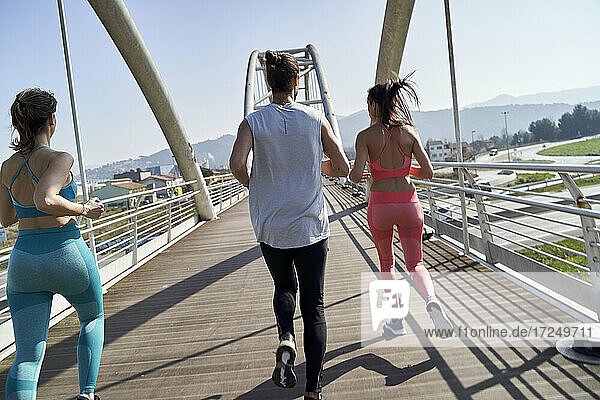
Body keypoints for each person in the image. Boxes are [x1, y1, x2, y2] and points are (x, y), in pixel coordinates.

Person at [230, 50, 349, 400]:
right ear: (298, 81)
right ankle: (313, 390)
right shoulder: (315, 119)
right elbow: (341, 166)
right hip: (311, 227)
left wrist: (255, 185)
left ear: (268, 82)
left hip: (271, 227)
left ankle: (285, 337)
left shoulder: (253, 121)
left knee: (284, 286)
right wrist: (316, 168)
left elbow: (236, 163)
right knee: (314, 306)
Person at [0, 88, 105, 400]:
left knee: (27, 356)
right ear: (51, 119)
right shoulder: (60, 158)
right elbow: (46, 199)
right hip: (66, 252)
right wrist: (85, 209)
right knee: (92, 318)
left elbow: (6, 219)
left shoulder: (6, 167)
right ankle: (86, 394)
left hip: (24, 264)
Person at [348, 73, 452, 337]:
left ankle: (396, 321)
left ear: (373, 105)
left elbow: (355, 175)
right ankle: (431, 300)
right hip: (409, 204)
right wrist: (403, 171)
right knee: (416, 262)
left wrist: (373, 173)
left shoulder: (365, 137)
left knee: (387, 264)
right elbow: (428, 172)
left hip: (381, 206)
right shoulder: (410, 132)